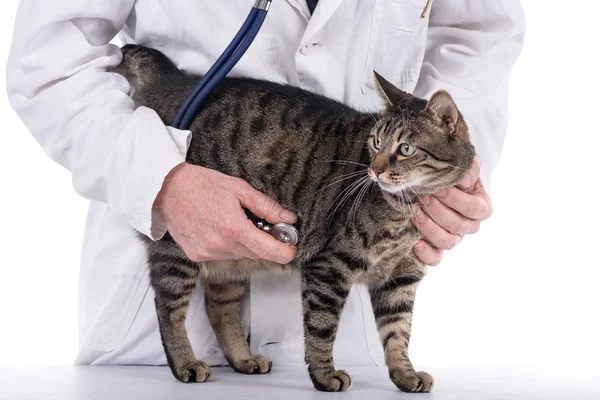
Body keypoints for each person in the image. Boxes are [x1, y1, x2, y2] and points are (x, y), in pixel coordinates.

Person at [6, 0, 525, 366]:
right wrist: (157, 181)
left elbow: (478, 35)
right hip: (146, 329)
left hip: (351, 331)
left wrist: (450, 175)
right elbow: (49, 62)